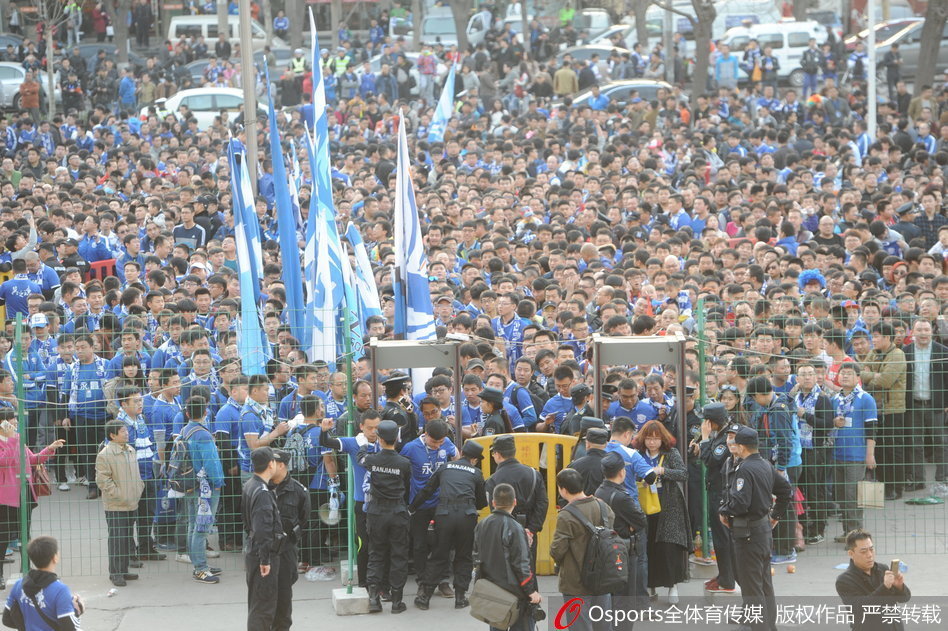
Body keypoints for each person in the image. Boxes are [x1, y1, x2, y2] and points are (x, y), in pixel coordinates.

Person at [718, 425, 791, 631]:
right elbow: (786, 490)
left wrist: (724, 510)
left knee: (752, 590)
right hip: (763, 532)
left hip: (747, 533)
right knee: (764, 584)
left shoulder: (745, 468)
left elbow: (740, 503)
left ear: (741, 447)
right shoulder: (765, 465)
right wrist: (775, 515)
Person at [410, 440, 487, 610]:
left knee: (438, 555)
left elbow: (427, 490)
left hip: (444, 515)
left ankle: (425, 598)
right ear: (474, 459)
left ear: (461, 452)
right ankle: (460, 598)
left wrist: (412, 507)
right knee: (464, 556)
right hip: (467, 516)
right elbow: (482, 502)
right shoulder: (476, 472)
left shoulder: (445, 467)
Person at [358, 419, 411, 614]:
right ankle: (397, 601)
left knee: (376, 554)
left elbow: (360, 456)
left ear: (379, 439)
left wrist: (365, 442)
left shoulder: (371, 460)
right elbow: (407, 486)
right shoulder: (404, 463)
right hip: (397, 511)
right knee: (399, 555)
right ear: (397, 439)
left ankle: (373, 599)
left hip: (376, 512)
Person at [472, 482, 542, 631]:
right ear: (515, 502)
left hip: (492, 592)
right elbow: (521, 564)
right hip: (515, 594)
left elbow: (477, 556)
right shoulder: (515, 528)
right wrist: (531, 591)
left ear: (493, 503)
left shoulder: (482, 525)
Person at [550, 467, 613, 631]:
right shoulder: (603, 507)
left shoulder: (566, 515)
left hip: (575, 581)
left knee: (580, 625)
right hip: (602, 577)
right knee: (603, 624)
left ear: (563, 490)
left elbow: (557, 550)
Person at [633, 420, 689, 604]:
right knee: (648, 547)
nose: (652, 442)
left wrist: (664, 471)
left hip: (669, 507)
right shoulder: (638, 455)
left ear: (662, 439)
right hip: (645, 506)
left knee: (668, 548)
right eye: (649, 438)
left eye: (656, 439)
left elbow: (683, 474)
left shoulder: (671, 453)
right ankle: (650, 586)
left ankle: (673, 586)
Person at [485, 435, 548, 568]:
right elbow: (542, 503)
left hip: (504, 531)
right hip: (528, 529)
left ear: (497, 454)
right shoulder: (533, 473)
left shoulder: (493, 480)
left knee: (506, 572)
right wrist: (531, 529)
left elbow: (494, 510)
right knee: (528, 570)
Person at [95, 419, 145, 587]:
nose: (127, 433)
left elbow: (136, 475)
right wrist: (119, 494)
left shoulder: (130, 450)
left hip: (132, 501)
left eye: (126, 430)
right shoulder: (105, 454)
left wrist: (138, 489)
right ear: (112, 435)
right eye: (123, 431)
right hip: (116, 504)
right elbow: (103, 481)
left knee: (126, 538)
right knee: (117, 539)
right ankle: (115, 573)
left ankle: (123, 569)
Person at [595, 451, 647, 611]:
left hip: (606, 547)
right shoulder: (622, 497)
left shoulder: (599, 491)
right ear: (621, 472)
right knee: (625, 595)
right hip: (624, 548)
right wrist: (629, 526)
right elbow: (641, 520)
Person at [180, 395, 224, 584]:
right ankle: (200, 569)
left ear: (188, 413)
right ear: (205, 412)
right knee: (202, 528)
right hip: (205, 488)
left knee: (193, 525)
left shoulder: (185, 430)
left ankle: (199, 562)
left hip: (191, 485)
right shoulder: (203, 435)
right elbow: (211, 462)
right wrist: (218, 482)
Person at [860, 322, 906, 501]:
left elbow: (886, 380)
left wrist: (870, 374)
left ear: (887, 337)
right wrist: (873, 376)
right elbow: (861, 372)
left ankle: (896, 486)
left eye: (877, 337)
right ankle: (883, 486)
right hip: (875, 409)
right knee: (878, 450)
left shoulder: (897, 355)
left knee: (893, 450)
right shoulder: (874, 353)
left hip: (892, 409)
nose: (874, 340)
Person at [2, 536, 83, 631]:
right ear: (55, 558)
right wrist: (78, 612)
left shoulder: (19, 585)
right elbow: (70, 628)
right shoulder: (60, 590)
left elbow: (6, 620)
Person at [835, 529, 911, 631]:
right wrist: (885, 587)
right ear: (851, 553)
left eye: (871, 549)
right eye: (863, 551)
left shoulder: (882, 569)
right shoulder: (844, 580)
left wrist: (900, 587)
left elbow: (904, 598)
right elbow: (862, 608)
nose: (869, 555)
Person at [243, 447, 284, 631]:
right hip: (262, 554)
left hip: (252, 549)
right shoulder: (262, 492)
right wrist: (265, 559)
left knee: (257, 604)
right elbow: (263, 529)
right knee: (264, 607)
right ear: (271, 464)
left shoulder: (250, 485)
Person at [902, 319, 947, 487]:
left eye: (926, 330)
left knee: (940, 442)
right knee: (915, 443)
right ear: (913, 332)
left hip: (936, 405)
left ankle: (942, 478)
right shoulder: (905, 352)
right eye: (919, 329)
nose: (923, 333)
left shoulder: (942, 351)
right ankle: (918, 480)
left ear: (931, 332)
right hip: (913, 405)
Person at [697, 402, 736, 594]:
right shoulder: (721, 435)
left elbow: (712, 460)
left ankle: (727, 579)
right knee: (723, 537)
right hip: (719, 491)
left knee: (722, 538)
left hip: (721, 494)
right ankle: (725, 575)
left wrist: (704, 440)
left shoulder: (724, 439)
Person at [269, 448, 310, 631]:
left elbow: (303, 520)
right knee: (263, 600)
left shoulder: (299, 491)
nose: (268, 467)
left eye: (273, 463)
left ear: (282, 465)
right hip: (263, 551)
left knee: (284, 598)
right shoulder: (259, 487)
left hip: (286, 552)